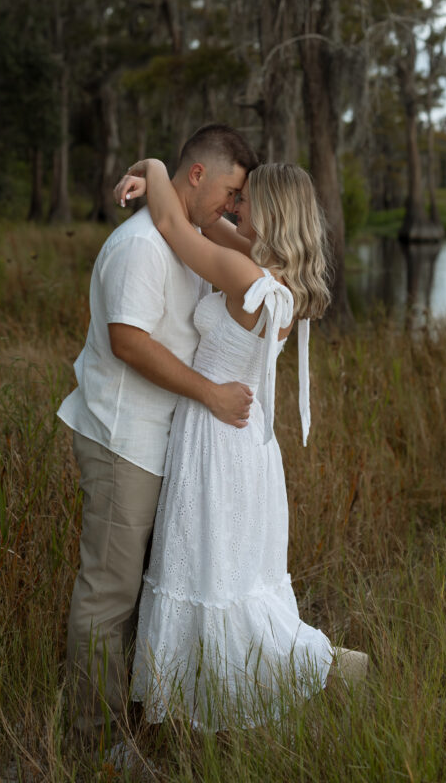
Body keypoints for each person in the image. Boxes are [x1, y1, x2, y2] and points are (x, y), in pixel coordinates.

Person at [113, 158, 366, 729]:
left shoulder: (245, 275)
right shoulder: (270, 273)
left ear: (270, 212)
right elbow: (199, 221)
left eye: (245, 199)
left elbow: (178, 230)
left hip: (216, 439)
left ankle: (262, 683)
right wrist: (171, 184)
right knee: (232, 572)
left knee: (207, 571)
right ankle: (273, 675)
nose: (234, 206)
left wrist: (154, 165)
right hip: (246, 441)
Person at [57, 124, 258, 740]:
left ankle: (135, 717)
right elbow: (127, 341)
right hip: (123, 439)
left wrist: (153, 168)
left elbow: (249, 239)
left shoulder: (188, 232)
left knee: (143, 588)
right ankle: (91, 738)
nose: (234, 205)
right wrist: (211, 396)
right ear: (198, 175)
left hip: (160, 442)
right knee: (109, 593)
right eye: (230, 190)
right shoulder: (143, 244)